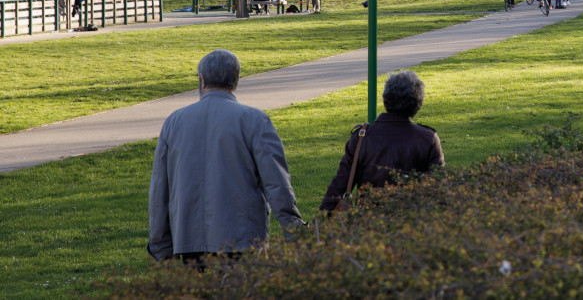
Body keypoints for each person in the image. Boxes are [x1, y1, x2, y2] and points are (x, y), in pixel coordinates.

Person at [148, 50, 303, 265]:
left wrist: (159, 243)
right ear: (236, 80)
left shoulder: (174, 122)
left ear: (202, 80)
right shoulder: (255, 120)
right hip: (241, 237)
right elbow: (276, 183)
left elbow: (159, 192)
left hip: (189, 239)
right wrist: (292, 227)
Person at [319, 71, 444, 213]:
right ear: (419, 105)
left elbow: (338, 186)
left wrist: (318, 224)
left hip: (369, 224)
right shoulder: (427, 139)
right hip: (412, 224)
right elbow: (438, 193)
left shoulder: (362, 137)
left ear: (384, 101)